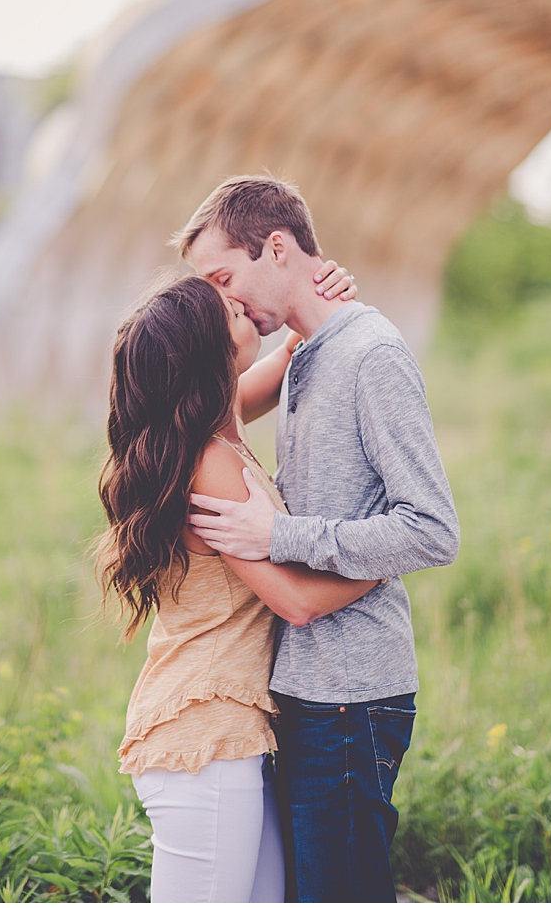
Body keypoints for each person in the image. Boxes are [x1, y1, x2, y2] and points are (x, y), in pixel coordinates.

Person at [179, 175, 460, 903]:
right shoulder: (307, 353)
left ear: (276, 247)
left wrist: (278, 532)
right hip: (306, 688)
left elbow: (431, 527)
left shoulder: (372, 354)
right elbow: (187, 409)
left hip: (352, 692)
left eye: (225, 277)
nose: (225, 301)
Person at [98, 267, 378, 903]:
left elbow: (275, 366)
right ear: (209, 352)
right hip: (205, 743)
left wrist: (311, 303)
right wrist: (394, 553)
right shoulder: (210, 462)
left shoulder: (205, 431)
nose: (242, 303)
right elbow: (297, 602)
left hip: (222, 739)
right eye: (227, 307)